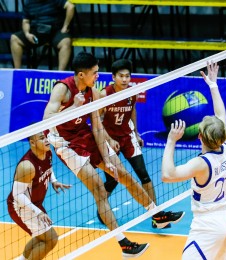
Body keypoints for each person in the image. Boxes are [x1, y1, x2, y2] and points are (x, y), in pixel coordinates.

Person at [43, 52, 183, 258]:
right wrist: (74, 107)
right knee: (100, 191)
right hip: (66, 144)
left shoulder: (93, 92)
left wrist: (107, 161)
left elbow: (98, 128)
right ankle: (124, 245)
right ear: (81, 75)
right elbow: (47, 119)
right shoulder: (62, 89)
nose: (98, 76)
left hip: (85, 135)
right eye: (95, 72)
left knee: (123, 173)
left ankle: (157, 215)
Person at [161, 62, 226, 259]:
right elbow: (222, 115)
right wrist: (213, 85)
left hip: (207, 227)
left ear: (199, 137)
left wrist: (171, 141)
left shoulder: (201, 164)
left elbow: (168, 175)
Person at [98, 59, 184, 228]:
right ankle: (102, 210)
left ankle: (156, 216)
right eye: (121, 76)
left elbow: (133, 111)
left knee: (143, 174)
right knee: (113, 180)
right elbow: (97, 121)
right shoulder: (104, 94)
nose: (124, 79)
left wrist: (136, 133)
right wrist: (109, 140)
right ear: (113, 77)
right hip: (110, 140)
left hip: (127, 137)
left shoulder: (132, 92)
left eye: (127, 76)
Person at [7, 131, 71, 260]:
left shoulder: (47, 152)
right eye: (42, 138)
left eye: (46, 136)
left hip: (35, 203)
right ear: (32, 142)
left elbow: (49, 167)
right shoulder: (27, 166)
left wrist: (54, 181)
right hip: (20, 206)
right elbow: (17, 195)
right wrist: (38, 212)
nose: (47, 140)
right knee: (50, 239)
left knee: (40, 236)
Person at [10, 0, 74, 70]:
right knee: (14, 38)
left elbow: (71, 7)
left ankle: (60, 74)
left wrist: (65, 26)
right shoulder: (29, 2)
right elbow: (26, 21)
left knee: (66, 41)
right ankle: (17, 71)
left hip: (55, 31)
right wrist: (27, 34)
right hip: (37, 31)